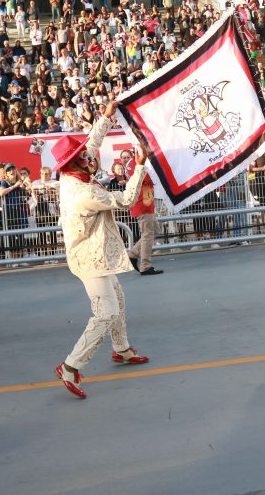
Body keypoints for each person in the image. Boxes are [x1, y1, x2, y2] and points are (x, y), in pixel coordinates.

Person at [52, 101, 151, 399]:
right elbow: (125, 198)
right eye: (82, 156)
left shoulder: (74, 174)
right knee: (106, 311)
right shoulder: (84, 192)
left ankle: (120, 349)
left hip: (96, 252)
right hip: (89, 258)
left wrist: (107, 117)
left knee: (117, 297)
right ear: (73, 163)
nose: (88, 156)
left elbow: (92, 144)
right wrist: (141, 165)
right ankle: (71, 366)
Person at [128, 172, 163, 275]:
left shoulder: (141, 166)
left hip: (146, 204)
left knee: (155, 231)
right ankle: (145, 266)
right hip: (143, 205)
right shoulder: (140, 166)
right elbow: (150, 180)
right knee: (147, 235)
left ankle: (133, 254)